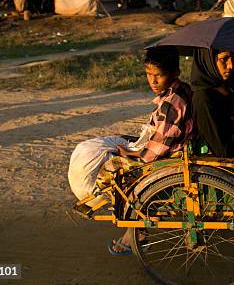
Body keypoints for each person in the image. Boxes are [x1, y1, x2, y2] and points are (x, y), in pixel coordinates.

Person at [68, 46, 193, 255]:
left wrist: (135, 154)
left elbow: (159, 146)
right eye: (149, 75)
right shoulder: (177, 92)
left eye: (159, 76)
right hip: (171, 149)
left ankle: (135, 231)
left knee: (116, 170)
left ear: (174, 74)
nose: (153, 81)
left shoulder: (173, 102)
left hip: (171, 156)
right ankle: (135, 228)